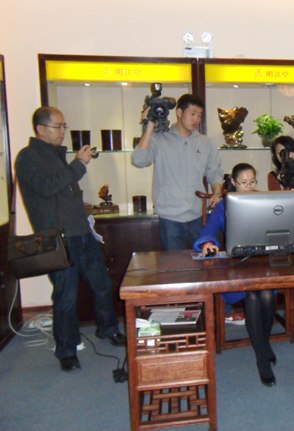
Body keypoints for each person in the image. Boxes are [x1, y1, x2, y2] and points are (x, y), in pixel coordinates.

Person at [15, 106, 126, 372]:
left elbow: (63, 192)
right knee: (66, 295)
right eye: (58, 126)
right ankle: (66, 349)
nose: (63, 131)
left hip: (83, 234)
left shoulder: (56, 154)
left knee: (102, 284)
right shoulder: (27, 157)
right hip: (59, 240)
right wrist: (78, 164)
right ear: (41, 129)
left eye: (64, 126)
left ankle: (108, 328)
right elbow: (46, 187)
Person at [193, 163, 278, 387]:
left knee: (267, 293)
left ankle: (263, 345)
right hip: (236, 265)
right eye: (243, 183)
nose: (249, 187)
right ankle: (262, 356)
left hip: (262, 262)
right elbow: (209, 229)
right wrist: (208, 243)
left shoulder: (264, 201)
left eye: (252, 182)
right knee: (252, 296)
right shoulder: (225, 205)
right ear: (233, 182)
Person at [131, 94, 225, 250]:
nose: (196, 119)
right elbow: (139, 161)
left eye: (199, 115)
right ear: (179, 112)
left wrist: (217, 192)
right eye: (192, 114)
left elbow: (214, 171)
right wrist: (149, 125)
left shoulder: (205, 142)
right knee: (174, 263)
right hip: (170, 218)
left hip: (198, 215)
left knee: (201, 262)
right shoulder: (160, 139)